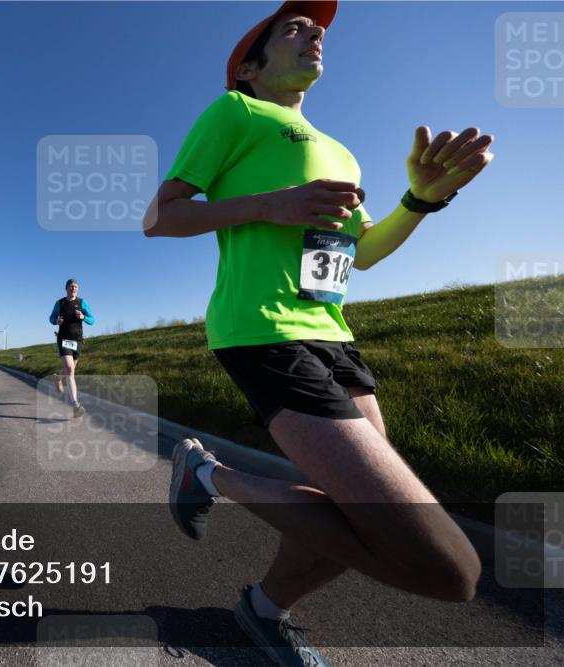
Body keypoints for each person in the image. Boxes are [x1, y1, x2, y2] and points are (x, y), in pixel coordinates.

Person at [146, 2, 494, 665]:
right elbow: (161, 217)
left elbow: (360, 252)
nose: (315, 33)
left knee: (358, 507)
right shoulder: (236, 114)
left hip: (335, 337)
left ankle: (266, 608)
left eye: (320, 29)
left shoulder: (340, 150)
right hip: (262, 331)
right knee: (449, 568)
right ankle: (208, 472)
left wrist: (419, 200)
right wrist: (265, 206)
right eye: (295, 28)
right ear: (251, 66)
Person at [48, 278, 95, 417]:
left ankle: (57, 379)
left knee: (71, 368)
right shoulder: (60, 303)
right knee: (70, 369)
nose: (73, 288)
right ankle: (75, 405)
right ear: (66, 288)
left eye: (75, 287)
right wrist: (56, 321)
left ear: (78, 289)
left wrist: (83, 317)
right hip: (64, 339)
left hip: (78, 340)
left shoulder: (82, 303)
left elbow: (92, 319)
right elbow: (51, 318)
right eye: (70, 286)